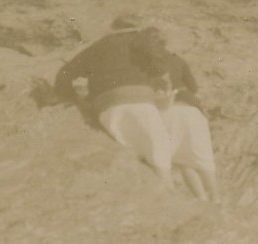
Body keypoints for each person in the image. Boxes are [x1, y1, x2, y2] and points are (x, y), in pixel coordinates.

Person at [53, 15, 219, 201]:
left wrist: (69, 95)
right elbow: (160, 68)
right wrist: (162, 81)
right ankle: (169, 194)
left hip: (105, 108)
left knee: (134, 143)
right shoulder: (142, 40)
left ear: (113, 28)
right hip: (139, 102)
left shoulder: (97, 46)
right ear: (138, 28)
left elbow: (65, 72)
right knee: (159, 145)